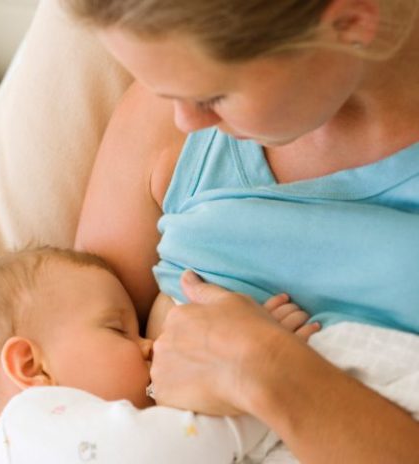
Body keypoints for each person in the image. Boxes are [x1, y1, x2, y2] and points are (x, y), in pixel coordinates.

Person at [66, 0, 419, 461]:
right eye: (164, 91)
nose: (185, 122)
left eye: (213, 96)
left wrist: (265, 369)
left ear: (350, 22)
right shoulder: (164, 128)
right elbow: (70, 385)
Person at [0, 246, 318, 462]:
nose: (149, 345)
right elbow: (177, 448)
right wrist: (252, 369)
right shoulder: (35, 426)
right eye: (118, 330)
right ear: (32, 367)